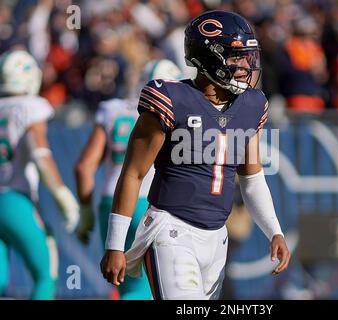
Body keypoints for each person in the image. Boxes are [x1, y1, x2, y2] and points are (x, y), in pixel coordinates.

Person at [100, 10, 290, 300]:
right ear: (208, 57)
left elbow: (251, 178)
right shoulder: (172, 99)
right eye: (235, 57)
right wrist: (114, 245)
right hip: (171, 230)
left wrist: (274, 230)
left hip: (217, 237)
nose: (244, 66)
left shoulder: (252, 104)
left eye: (247, 57)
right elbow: (134, 172)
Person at [75, 59, 183, 300]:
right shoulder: (174, 111)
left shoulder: (112, 109)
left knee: (125, 286)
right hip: (151, 204)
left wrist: (85, 214)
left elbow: (84, 167)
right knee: (146, 291)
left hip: (111, 203)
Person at [0, 50, 80, 299]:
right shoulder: (31, 106)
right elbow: (39, 153)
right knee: (46, 274)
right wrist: (61, 193)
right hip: (15, 200)